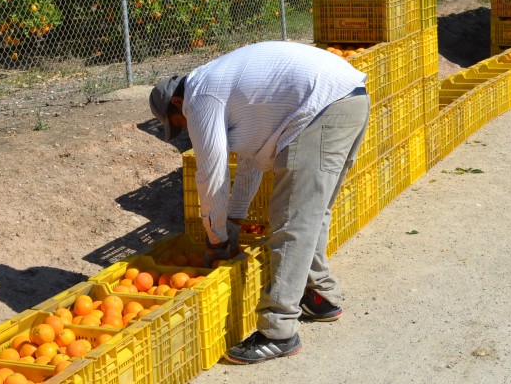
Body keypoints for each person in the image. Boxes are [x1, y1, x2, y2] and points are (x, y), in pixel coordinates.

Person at [148, 40, 370, 364]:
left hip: (320, 108)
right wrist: (234, 219)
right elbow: (252, 161)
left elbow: (212, 175)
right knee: (311, 213)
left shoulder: (200, 98)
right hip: (349, 100)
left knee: (292, 221)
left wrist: (217, 239)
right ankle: (321, 295)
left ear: (178, 103)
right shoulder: (222, 85)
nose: (183, 129)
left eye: (177, 122)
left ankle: (278, 331)